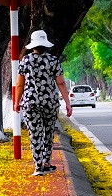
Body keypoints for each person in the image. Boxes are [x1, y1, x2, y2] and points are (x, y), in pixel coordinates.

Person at [13, 30, 73, 176]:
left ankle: (38, 166)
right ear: (45, 44)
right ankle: (46, 162)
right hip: (50, 103)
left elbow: (20, 85)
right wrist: (67, 103)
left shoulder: (25, 61)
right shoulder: (53, 60)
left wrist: (17, 102)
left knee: (35, 134)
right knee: (48, 133)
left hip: (30, 103)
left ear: (33, 45)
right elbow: (61, 83)